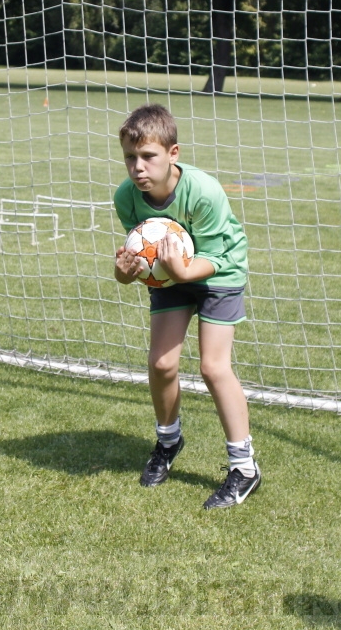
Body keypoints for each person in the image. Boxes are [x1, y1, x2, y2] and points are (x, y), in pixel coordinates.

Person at [112, 103, 259, 509]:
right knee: (161, 364)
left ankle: (244, 468)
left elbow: (213, 258)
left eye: (148, 156)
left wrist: (181, 268)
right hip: (170, 276)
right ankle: (168, 442)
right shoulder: (127, 198)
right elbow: (140, 263)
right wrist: (125, 273)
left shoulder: (204, 191)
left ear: (172, 154)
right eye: (130, 157)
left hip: (218, 273)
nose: (138, 167)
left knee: (214, 367)